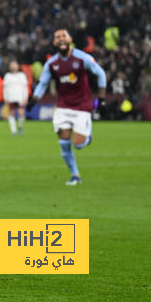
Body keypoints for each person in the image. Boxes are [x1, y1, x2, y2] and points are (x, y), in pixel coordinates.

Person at [27, 29, 106, 186]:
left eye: (64, 36)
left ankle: (87, 138)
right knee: (63, 141)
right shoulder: (52, 64)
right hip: (63, 106)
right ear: (54, 42)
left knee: (78, 144)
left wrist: (102, 98)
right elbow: (43, 83)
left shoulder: (82, 58)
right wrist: (34, 99)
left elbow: (101, 74)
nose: (61, 39)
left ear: (70, 39)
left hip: (82, 106)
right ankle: (75, 174)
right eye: (57, 37)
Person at [3, 60, 28, 135]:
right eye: (12, 65)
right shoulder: (7, 76)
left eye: (14, 65)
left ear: (18, 66)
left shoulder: (22, 75)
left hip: (20, 97)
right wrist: (5, 97)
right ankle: (13, 130)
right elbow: (5, 88)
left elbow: (25, 87)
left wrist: (25, 97)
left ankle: (20, 127)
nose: (13, 66)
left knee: (21, 112)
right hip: (11, 97)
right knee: (11, 113)